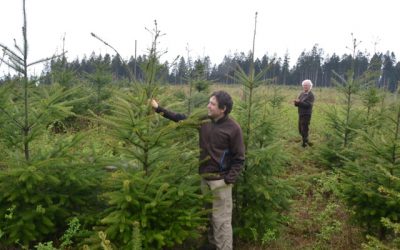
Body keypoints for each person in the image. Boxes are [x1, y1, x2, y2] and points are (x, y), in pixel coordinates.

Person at [151, 90, 245, 250]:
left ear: (223, 109)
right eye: (209, 102)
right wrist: (159, 109)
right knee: (209, 216)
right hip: (205, 179)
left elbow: (239, 158)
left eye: (212, 104)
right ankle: (213, 244)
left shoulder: (233, 128)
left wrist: (228, 179)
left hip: (220, 182)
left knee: (221, 221)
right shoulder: (204, 121)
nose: (208, 106)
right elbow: (181, 119)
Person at [294, 79, 315, 147]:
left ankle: (304, 144)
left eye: (306, 85)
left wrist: (299, 102)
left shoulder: (311, 95)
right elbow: (299, 103)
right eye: (304, 85)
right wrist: (296, 103)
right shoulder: (302, 94)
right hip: (300, 113)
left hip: (306, 114)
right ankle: (307, 141)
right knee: (300, 129)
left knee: (304, 129)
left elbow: (308, 105)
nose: (305, 86)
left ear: (310, 86)